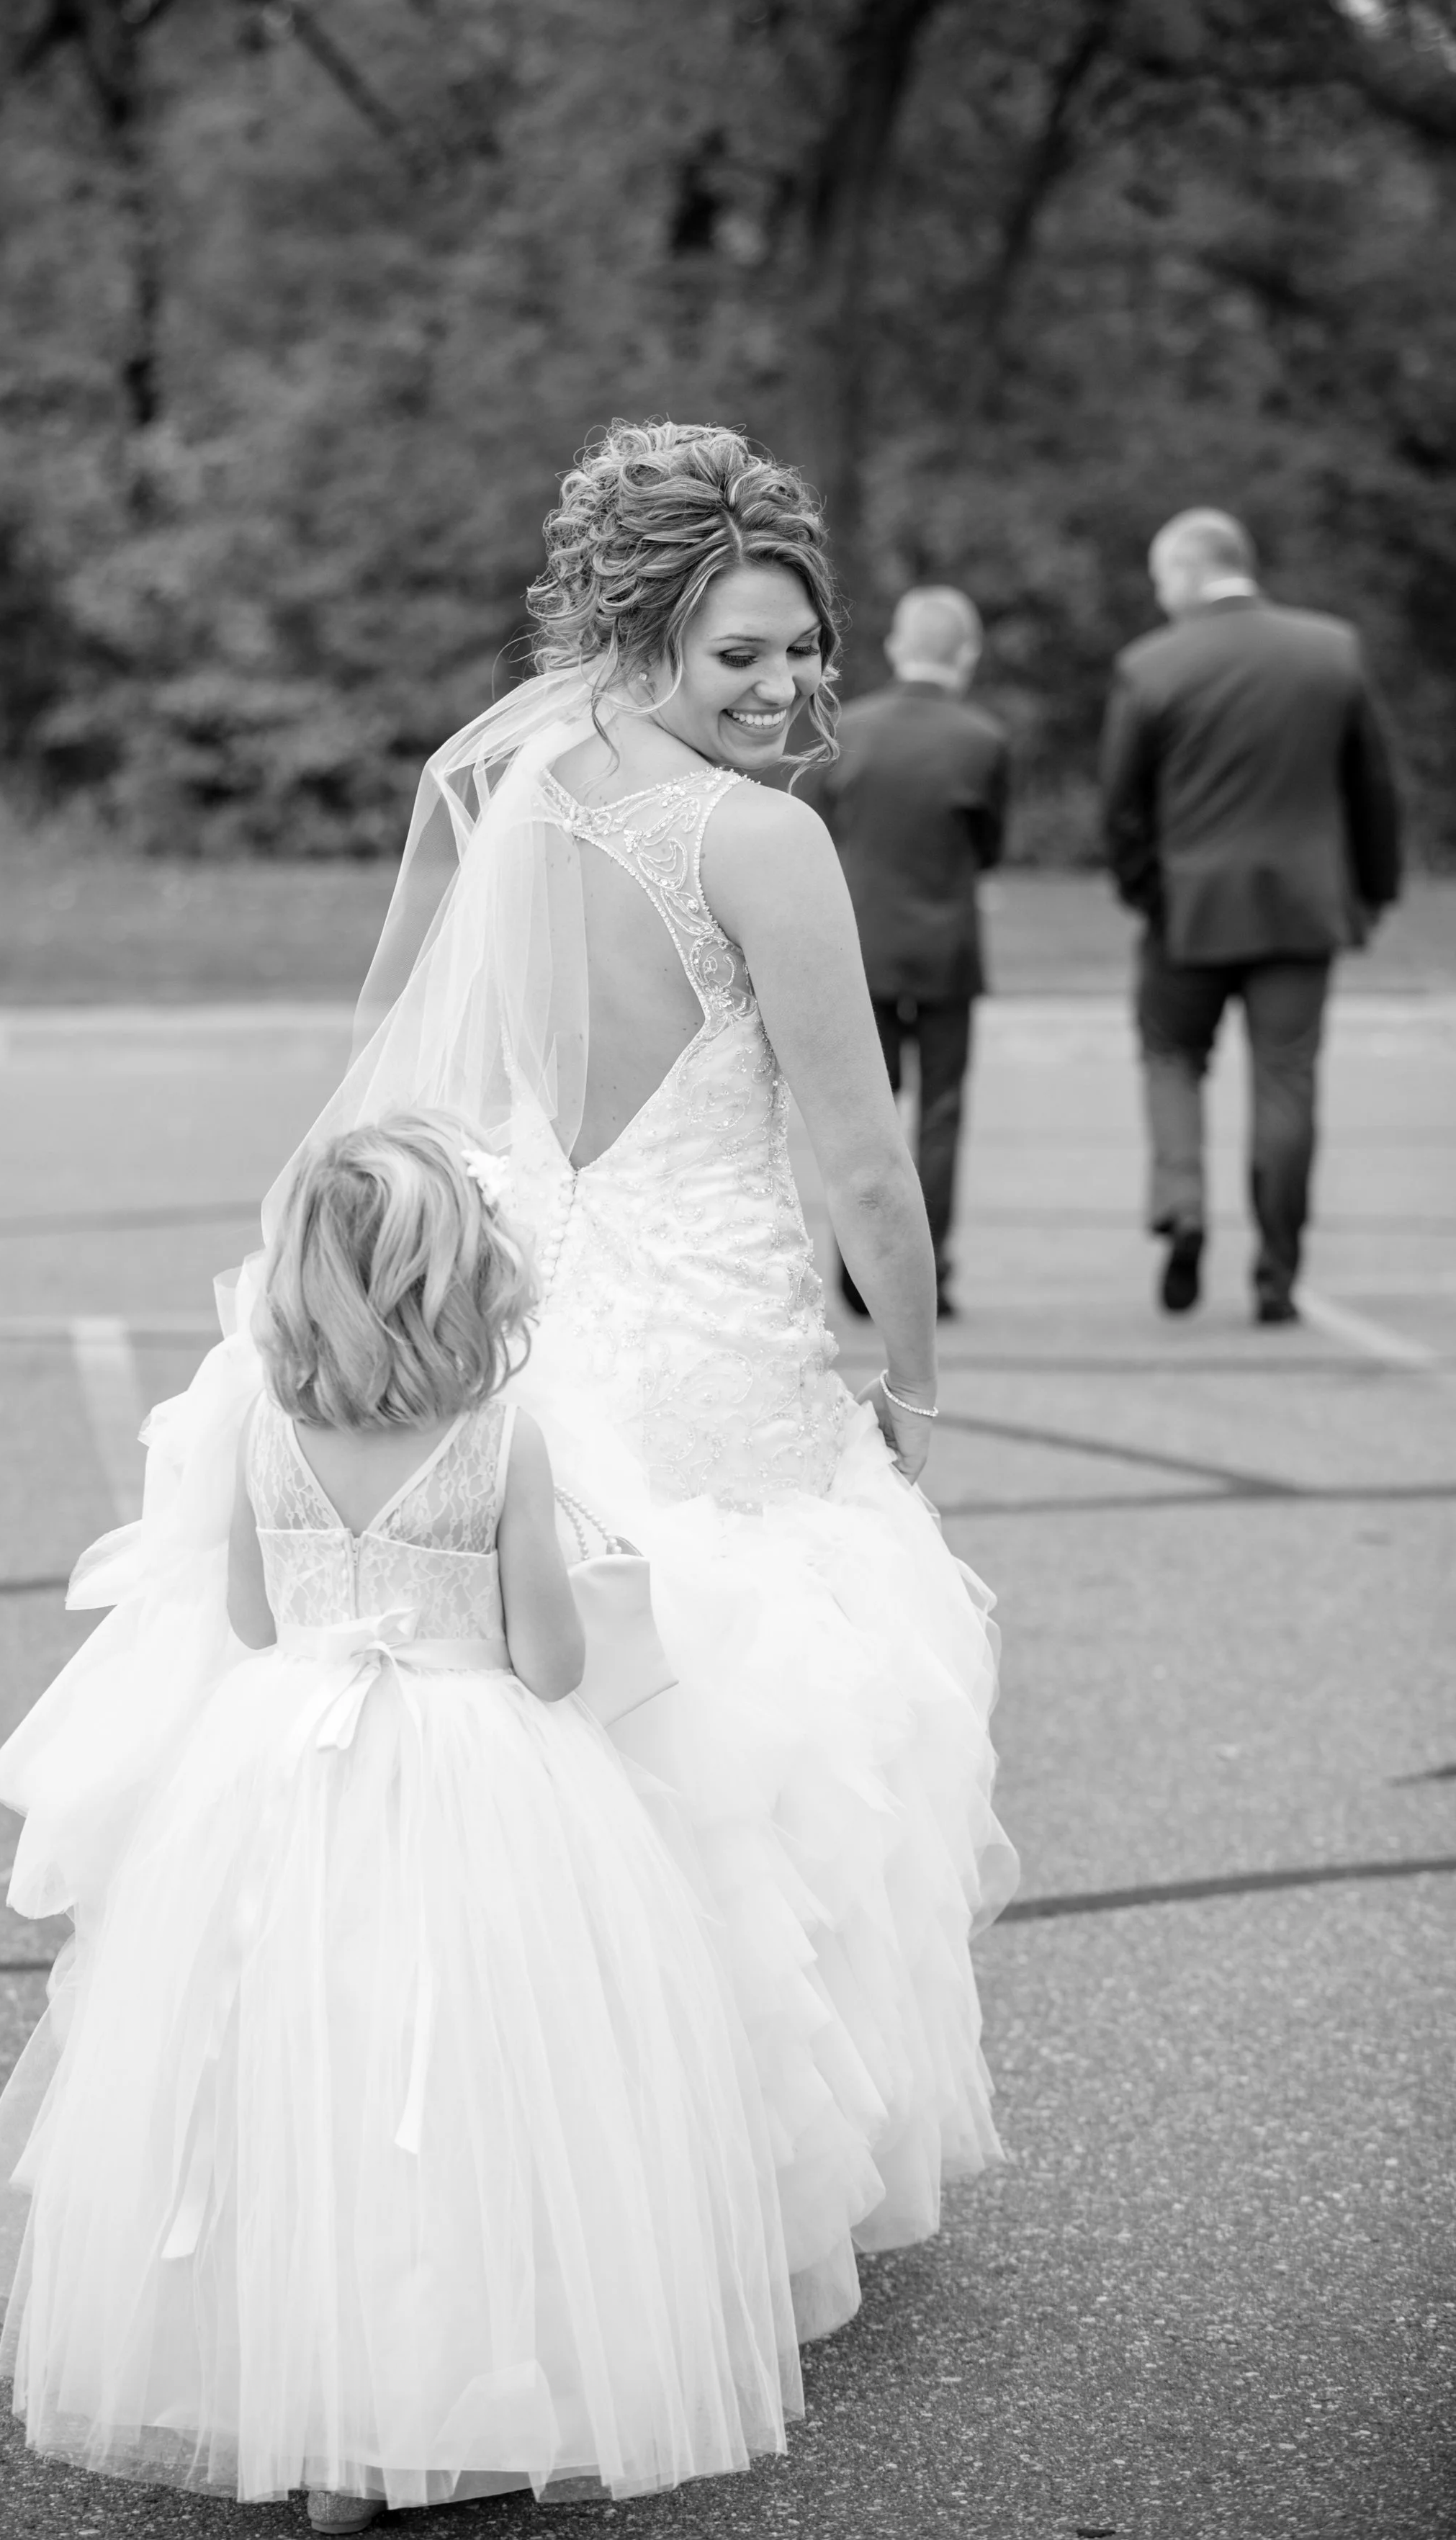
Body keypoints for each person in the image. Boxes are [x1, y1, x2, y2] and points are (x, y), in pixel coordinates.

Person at [323, 421, 1016, 2341]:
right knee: (767, 1743)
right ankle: (717, 2181)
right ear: (638, 628)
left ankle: (532, 2179)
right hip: (708, 1345)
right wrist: (914, 1382)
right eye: (741, 654)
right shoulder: (758, 838)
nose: (785, 687)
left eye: (804, 646)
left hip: (524, 1313)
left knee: (554, 1746)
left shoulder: (486, 778)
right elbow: (863, 1159)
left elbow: (388, 1059)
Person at [0, 1113, 799, 2519]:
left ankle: (304, 2410)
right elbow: (550, 1664)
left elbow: (252, 1618)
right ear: (466, 1279)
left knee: (290, 2066)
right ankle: (424, 2402)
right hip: (475, 1775)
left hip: (284, 1766)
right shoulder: (500, 1444)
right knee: (454, 2080)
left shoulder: (266, 1432)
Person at [1100, 508, 1402, 1322]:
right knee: (1286, 1081)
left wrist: (1147, 893)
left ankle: (1182, 1206)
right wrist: (1373, 890)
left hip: (1187, 910)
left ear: (1188, 570)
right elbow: (1373, 788)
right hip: (1302, 910)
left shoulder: (1151, 666)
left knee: (1170, 1057)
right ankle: (1277, 1271)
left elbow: (1121, 807)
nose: (1159, 596)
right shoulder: (1330, 651)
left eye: (1161, 579)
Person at [812, 585, 1010, 1319]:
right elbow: (988, 847)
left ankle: (857, 1267)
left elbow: (822, 836)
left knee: (864, 1115)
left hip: (860, 948)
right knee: (940, 1113)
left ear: (898, 646)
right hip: (946, 948)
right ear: (968, 654)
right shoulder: (982, 740)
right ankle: (929, 1270)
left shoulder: (847, 730)